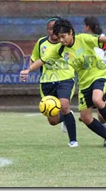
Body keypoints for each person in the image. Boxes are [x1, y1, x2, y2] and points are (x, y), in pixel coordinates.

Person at [20, 18, 106, 148]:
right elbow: (42, 60)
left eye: (63, 36)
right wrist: (28, 69)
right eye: (59, 38)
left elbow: (100, 40)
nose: (62, 40)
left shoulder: (82, 38)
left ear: (71, 32)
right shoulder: (59, 49)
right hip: (83, 82)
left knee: (97, 100)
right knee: (85, 117)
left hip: (98, 74)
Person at [29, 17, 78, 147]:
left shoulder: (67, 43)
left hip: (65, 78)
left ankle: (73, 141)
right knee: (52, 120)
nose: (53, 31)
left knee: (64, 105)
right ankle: (67, 117)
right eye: (50, 29)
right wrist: (28, 70)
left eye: (54, 29)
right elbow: (34, 58)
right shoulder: (41, 42)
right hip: (46, 81)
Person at [83, 16, 106, 132]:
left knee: (101, 113)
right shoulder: (84, 39)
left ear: (88, 27)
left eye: (85, 26)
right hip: (89, 77)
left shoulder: (102, 40)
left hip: (102, 76)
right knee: (87, 115)